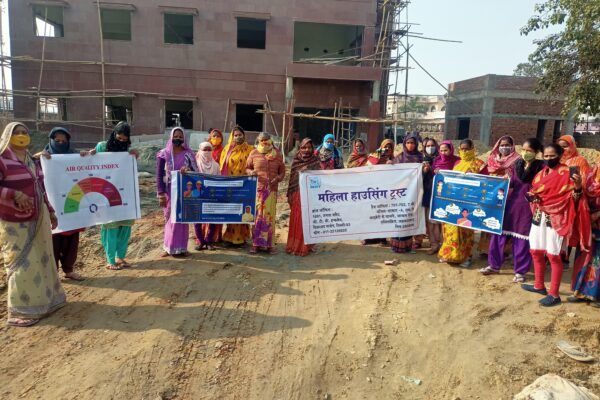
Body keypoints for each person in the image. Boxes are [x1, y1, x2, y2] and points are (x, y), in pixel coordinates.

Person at [0, 122, 66, 327]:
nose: (21, 136)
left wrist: (51, 211)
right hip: (14, 221)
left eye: (24, 133)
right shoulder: (2, 160)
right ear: (8, 137)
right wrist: (14, 194)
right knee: (22, 261)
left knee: (43, 258)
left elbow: (41, 187)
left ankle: (47, 302)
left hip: (39, 216)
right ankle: (21, 310)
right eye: (16, 133)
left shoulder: (31, 159)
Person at [521, 144, 590, 307]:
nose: (548, 159)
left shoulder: (569, 172)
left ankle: (554, 294)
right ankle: (539, 285)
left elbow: (576, 197)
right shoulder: (540, 174)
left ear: (560, 155)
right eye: (546, 156)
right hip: (539, 216)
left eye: (552, 156)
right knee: (536, 251)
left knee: (553, 255)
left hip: (557, 218)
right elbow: (536, 191)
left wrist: (579, 186)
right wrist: (533, 197)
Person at [480, 138, 545, 283]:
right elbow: (513, 183)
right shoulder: (518, 164)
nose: (525, 153)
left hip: (528, 207)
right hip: (511, 204)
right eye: (524, 150)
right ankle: (494, 265)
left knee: (522, 239)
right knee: (499, 235)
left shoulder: (541, 167)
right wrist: (505, 181)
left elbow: (543, 187)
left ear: (536, 152)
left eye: (529, 151)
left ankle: (520, 271)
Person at [40, 127, 90, 281]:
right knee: (54, 241)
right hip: (53, 207)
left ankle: (69, 270)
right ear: (51, 140)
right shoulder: (43, 157)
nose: (61, 143)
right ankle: (53, 274)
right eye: (57, 141)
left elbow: (87, 169)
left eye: (64, 141)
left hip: (72, 204)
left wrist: (84, 157)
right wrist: (38, 158)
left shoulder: (74, 155)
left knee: (72, 241)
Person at [95, 121, 138, 270]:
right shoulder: (102, 147)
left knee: (124, 227)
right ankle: (110, 260)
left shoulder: (128, 151)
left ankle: (120, 257)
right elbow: (91, 163)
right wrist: (89, 154)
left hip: (125, 193)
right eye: (119, 138)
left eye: (124, 140)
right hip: (106, 193)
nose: (121, 142)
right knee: (110, 226)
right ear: (114, 134)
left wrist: (134, 155)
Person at [438, 139, 485, 267]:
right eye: (462, 149)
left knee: (465, 230)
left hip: (469, 203)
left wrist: (473, 177)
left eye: (466, 149)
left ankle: (466, 257)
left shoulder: (479, 164)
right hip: (454, 201)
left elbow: (485, 183)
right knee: (450, 228)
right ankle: (450, 255)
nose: (464, 151)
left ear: (472, 148)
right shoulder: (457, 163)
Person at [156, 127, 198, 257]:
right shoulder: (163, 154)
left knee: (182, 219)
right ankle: (168, 247)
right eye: (176, 136)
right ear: (171, 137)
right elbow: (159, 175)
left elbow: (196, 173)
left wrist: (187, 170)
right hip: (169, 192)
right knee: (170, 219)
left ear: (184, 139)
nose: (178, 138)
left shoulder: (189, 154)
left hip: (184, 192)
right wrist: (161, 193)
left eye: (181, 137)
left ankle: (181, 248)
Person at [478, 136, 521, 256]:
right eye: (502, 145)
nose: (504, 147)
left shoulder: (517, 160)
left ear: (512, 145)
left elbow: (519, 177)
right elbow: (484, 174)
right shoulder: (492, 158)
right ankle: (486, 249)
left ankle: (504, 250)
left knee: (504, 222)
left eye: (507, 144)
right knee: (488, 219)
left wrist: (508, 178)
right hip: (491, 196)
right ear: (498, 145)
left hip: (509, 196)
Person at [246, 132, 285, 254]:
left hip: (272, 191)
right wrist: (251, 172)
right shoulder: (254, 153)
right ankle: (256, 244)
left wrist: (278, 178)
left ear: (270, 140)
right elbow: (247, 168)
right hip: (258, 190)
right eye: (262, 140)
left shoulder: (277, 154)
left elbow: (282, 172)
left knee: (270, 218)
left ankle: (270, 245)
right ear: (258, 141)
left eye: (266, 140)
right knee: (258, 217)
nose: (264, 142)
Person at [557, 135, 591, 268]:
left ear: (572, 146)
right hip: (557, 200)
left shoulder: (580, 161)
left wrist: (575, 188)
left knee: (569, 229)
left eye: (565, 146)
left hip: (573, 199)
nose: (562, 149)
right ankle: (552, 256)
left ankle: (564, 258)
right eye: (560, 147)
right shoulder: (555, 160)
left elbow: (585, 180)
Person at [569, 163, 600, 306]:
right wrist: (578, 186)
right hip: (587, 223)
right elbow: (580, 197)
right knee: (584, 257)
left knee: (597, 261)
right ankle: (579, 291)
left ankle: (595, 295)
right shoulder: (588, 176)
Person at [219, 126, 254, 246]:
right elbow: (221, 167)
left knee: (243, 210)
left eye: (240, 134)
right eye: (236, 135)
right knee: (231, 210)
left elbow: (255, 164)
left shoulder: (250, 149)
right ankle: (229, 236)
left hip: (245, 186)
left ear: (244, 135)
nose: (238, 137)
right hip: (230, 185)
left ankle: (241, 237)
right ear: (232, 137)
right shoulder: (226, 149)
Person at [286, 138, 321, 256]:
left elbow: (319, 180)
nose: (307, 150)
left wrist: (309, 171)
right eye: (304, 147)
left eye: (309, 147)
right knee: (298, 219)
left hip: (310, 195)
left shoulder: (315, 161)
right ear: (300, 148)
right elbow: (292, 181)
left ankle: (307, 246)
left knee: (308, 219)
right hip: (297, 195)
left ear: (312, 149)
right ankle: (294, 246)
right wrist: (290, 195)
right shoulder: (296, 161)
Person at [390, 133, 422, 253]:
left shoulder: (420, 157)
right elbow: (393, 174)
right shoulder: (399, 158)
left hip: (413, 193)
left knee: (408, 218)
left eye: (412, 143)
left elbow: (422, 175)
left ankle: (407, 246)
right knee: (398, 218)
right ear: (404, 143)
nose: (410, 145)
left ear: (416, 144)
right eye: (408, 143)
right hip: (400, 193)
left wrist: (424, 170)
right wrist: (390, 166)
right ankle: (395, 245)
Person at [193, 141, 221, 251]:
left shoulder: (216, 165)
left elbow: (219, 180)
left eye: (209, 149)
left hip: (211, 196)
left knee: (212, 218)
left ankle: (209, 241)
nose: (207, 152)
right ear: (200, 150)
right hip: (198, 195)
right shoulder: (195, 164)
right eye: (205, 149)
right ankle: (200, 241)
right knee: (196, 218)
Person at [422, 138, 446, 255]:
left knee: (439, 222)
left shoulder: (441, 160)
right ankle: (433, 245)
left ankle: (441, 244)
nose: (430, 148)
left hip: (441, 196)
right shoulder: (421, 160)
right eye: (427, 145)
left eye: (432, 145)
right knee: (430, 222)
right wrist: (424, 171)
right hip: (427, 195)